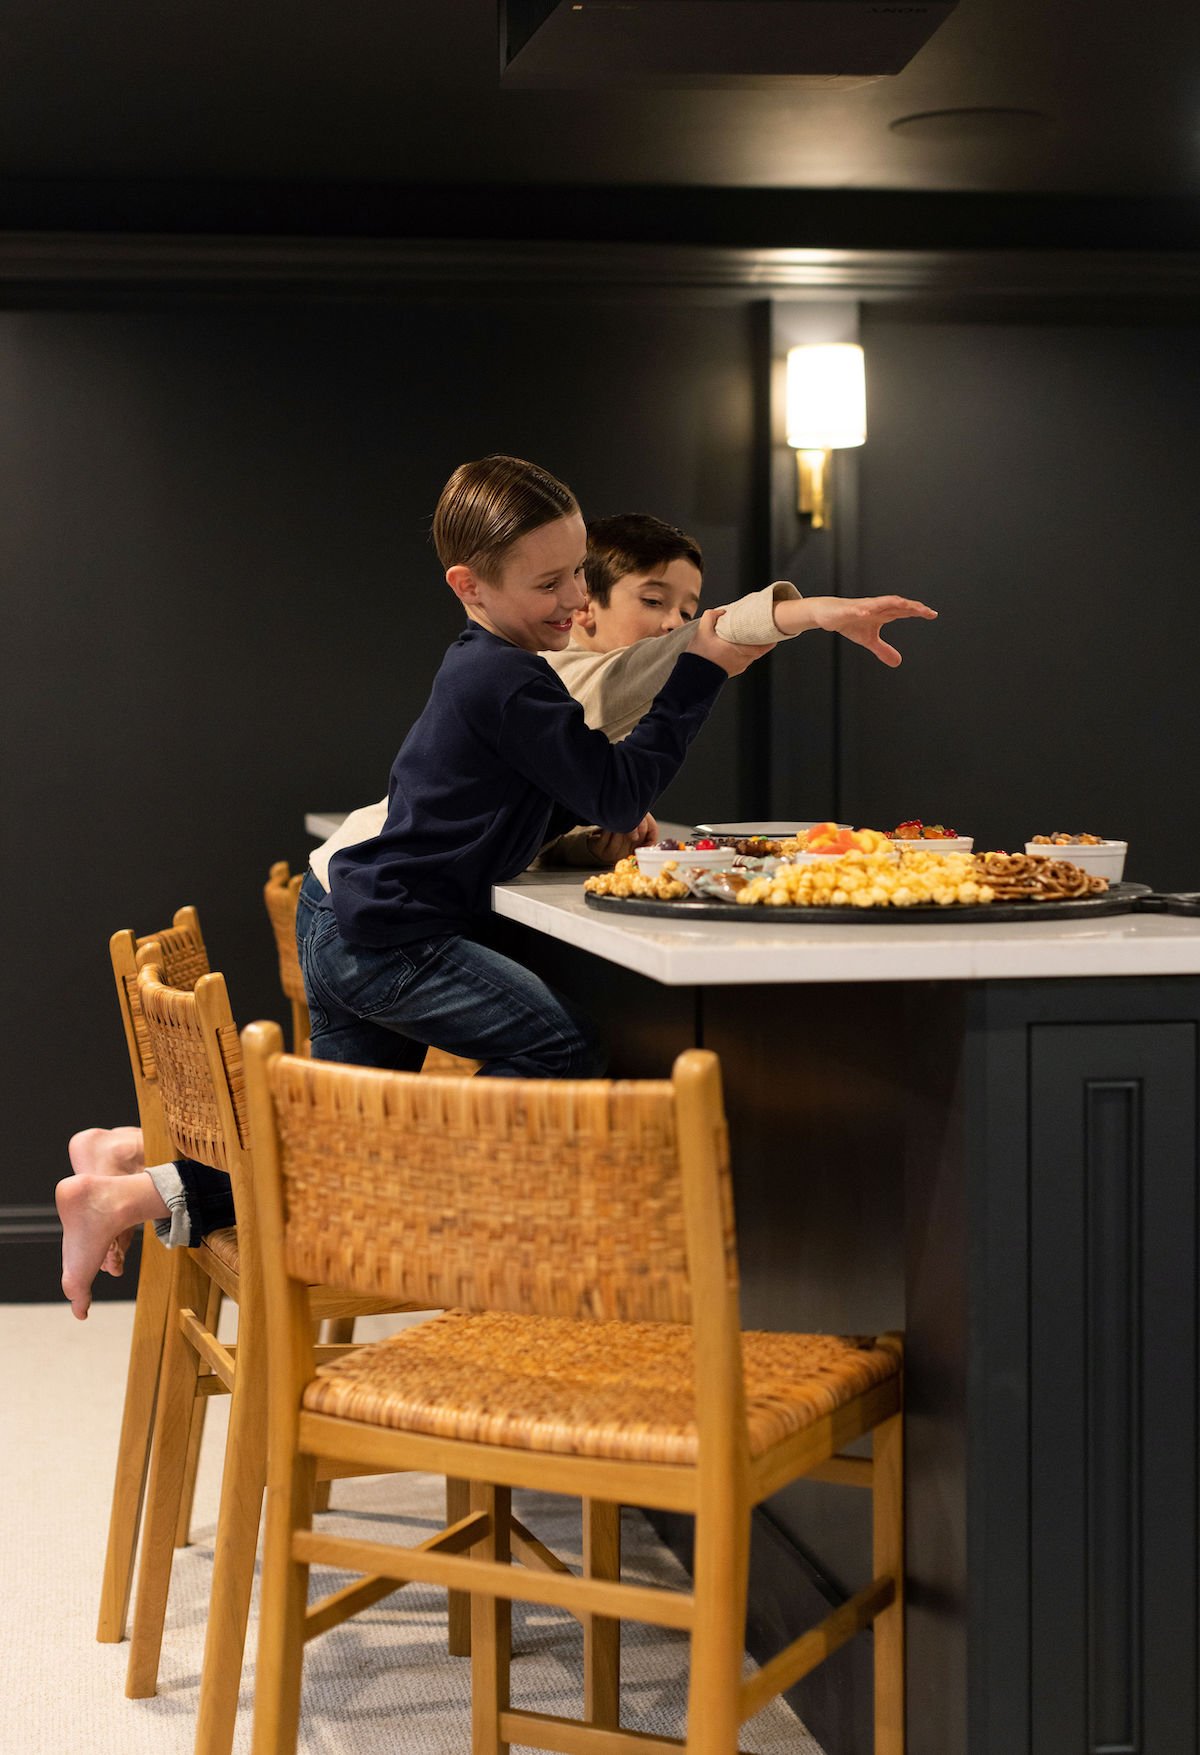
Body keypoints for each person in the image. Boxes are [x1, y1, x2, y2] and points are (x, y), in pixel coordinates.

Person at [57, 477, 935, 1316]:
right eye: (550, 583)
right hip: (388, 940)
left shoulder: (502, 667)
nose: (572, 601)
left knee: (345, 1146)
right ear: (469, 586)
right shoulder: (505, 676)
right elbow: (617, 788)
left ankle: (136, 1185)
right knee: (565, 1053)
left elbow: (553, 794)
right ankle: (474, 1226)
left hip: (360, 921)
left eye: (579, 574)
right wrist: (698, 673)